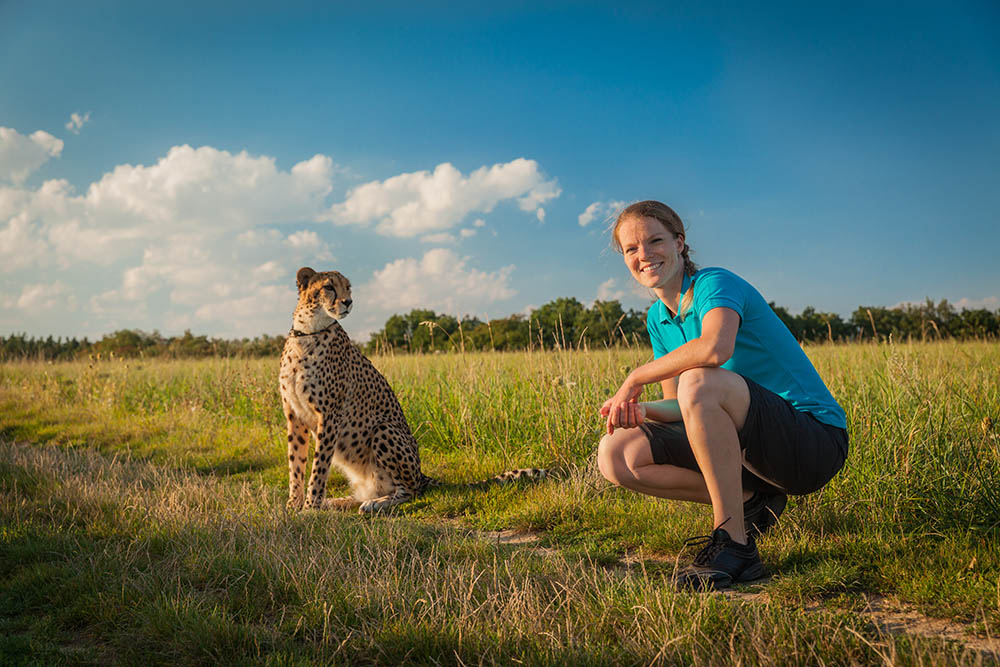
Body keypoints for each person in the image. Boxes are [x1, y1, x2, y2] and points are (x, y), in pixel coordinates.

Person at [597, 200, 848, 590]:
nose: (644, 255)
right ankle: (752, 501)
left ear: (680, 243)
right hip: (750, 452)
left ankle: (734, 545)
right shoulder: (657, 318)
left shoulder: (714, 284)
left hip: (811, 442)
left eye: (655, 241)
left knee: (700, 378)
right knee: (616, 454)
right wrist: (639, 408)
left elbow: (715, 350)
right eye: (631, 248)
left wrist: (635, 377)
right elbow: (682, 407)